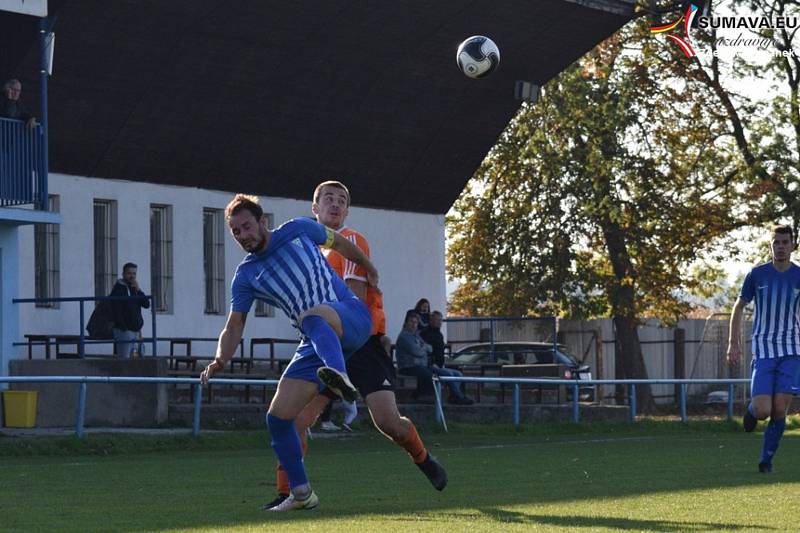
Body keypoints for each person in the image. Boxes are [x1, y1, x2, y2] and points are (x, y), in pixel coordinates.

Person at [264, 180, 448, 510]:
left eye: (341, 201)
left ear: (347, 211)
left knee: (388, 423)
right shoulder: (307, 249)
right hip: (323, 343)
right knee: (296, 419)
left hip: (360, 342)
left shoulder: (351, 241)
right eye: (328, 199)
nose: (335, 204)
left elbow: (353, 298)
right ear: (314, 208)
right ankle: (288, 490)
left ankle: (423, 458)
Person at [201, 193, 376, 512]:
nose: (243, 235)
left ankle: (339, 378)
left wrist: (367, 268)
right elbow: (235, 324)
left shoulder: (299, 228)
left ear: (262, 222)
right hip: (315, 340)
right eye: (236, 232)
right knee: (278, 418)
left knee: (312, 315)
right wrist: (219, 360)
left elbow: (339, 244)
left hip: (350, 315)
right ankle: (301, 493)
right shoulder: (246, 276)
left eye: (247, 227)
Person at [727, 224, 800, 473]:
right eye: (776, 242)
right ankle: (750, 411)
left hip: (792, 351)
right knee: (762, 411)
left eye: (785, 242)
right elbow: (738, 308)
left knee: (780, 409)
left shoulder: (799, 275)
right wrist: (732, 343)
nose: (780, 247)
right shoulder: (757, 275)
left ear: (793, 245)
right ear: (770, 246)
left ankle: (766, 460)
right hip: (764, 351)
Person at [396, 310, 473, 405]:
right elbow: (417, 352)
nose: (414, 324)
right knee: (437, 377)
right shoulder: (405, 337)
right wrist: (423, 348)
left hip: (423, 365)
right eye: (411, 322)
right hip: (409, 366)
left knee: (457, 374)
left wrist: (422, 347)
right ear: (406, 323)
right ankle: (458, 397)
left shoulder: (416, 335)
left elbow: (430, 348)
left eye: (416, 322)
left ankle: (454, 397)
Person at [109, 263, 149, 358]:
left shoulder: (134, 289)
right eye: (129, 273)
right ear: (123, 274)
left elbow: (146, 304)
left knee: (137, 359)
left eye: (134, 273)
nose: (132, 276)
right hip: (124, 331)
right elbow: (115, 310)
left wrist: (139, 290)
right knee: (125, 359)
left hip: (137, 330)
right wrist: (124, 328)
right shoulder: (118, 289)